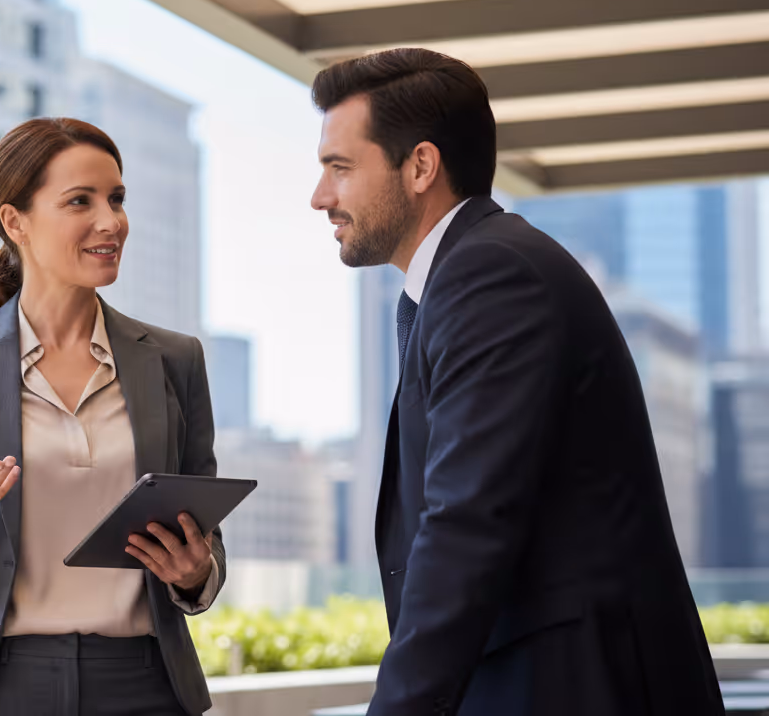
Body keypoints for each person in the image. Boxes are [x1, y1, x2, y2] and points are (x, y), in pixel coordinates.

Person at [310, 49, 724, 716]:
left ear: (420, 165)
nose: (320, 196)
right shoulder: (459, 279)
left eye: (339, 167)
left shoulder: (490, 275)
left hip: (575, 686)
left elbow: (467, 523)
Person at [0, 118, 223, 716]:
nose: (111, 221)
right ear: (14, 221)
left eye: (116, 199)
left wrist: (196, 573)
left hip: (146, 685)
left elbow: (206, 545)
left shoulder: (176, 360)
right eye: (80, 201)